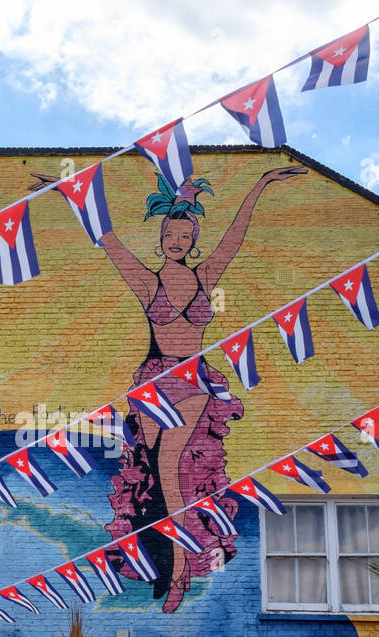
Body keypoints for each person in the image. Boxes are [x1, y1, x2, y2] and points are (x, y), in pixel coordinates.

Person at [99, 166, 308, 611]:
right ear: (161, 239)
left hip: (193, 380)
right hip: (154, 382)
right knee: (152, 479)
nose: (176, 241)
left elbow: (235, 235)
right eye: (169, 235)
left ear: (193, 239)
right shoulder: (146, 282)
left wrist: (260, 183)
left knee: (172, 467)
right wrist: (69, 195)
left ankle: (179, 574)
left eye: (184, 235)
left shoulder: (206, 277)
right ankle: (155, 564)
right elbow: (109, 241)